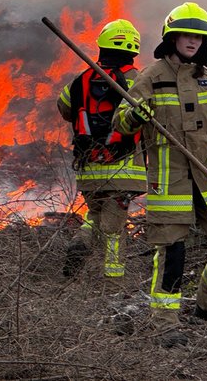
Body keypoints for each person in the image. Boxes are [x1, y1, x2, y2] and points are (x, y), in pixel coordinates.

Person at [113, 2, 207, 340]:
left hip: (206, 178)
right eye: (186, 35)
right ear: (172, 37)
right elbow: (121, 121)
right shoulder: (151, 77)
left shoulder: (206, 80)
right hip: (169, 180)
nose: (193, 41)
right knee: (173, 252)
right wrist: (136, 116)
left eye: (200, 37)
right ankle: (165, 326)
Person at [56, 19, 147, 283]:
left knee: (94, 215)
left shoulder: (80, 80)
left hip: (88, 169)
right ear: (133, 50)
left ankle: (81, 240)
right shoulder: (137, 79)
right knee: (114, 230)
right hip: (123, 169)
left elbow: (64, 109)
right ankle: (113, 283)